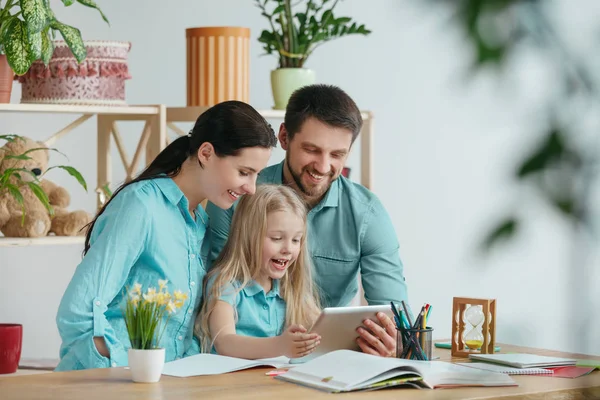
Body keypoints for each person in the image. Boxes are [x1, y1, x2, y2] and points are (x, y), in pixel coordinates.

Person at [55, 100, 277, 371]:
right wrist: (129, 368)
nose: (252, 188)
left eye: (256, 175)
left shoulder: (199, 224)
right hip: (109, 384)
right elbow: (78, 312)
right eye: (244, 172)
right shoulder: (142, 206)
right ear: (206, 153)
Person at [204, 85, 408, 358]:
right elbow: (217, 286)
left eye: (337, 155)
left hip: (319, 360)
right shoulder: (237, 195)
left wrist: (394, 342)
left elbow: (394, 316)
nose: (323, 167)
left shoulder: (367, 214)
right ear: (285, 137)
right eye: (312, 150)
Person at [195, 184, 322, 359]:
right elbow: (224, 342)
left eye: (296, 240)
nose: (288, 249)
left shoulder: (290, 287)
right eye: (277, 238)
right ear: (249, 236)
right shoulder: (225, 283)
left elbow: (322, 329)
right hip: (230, 381)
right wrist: (280, 345)